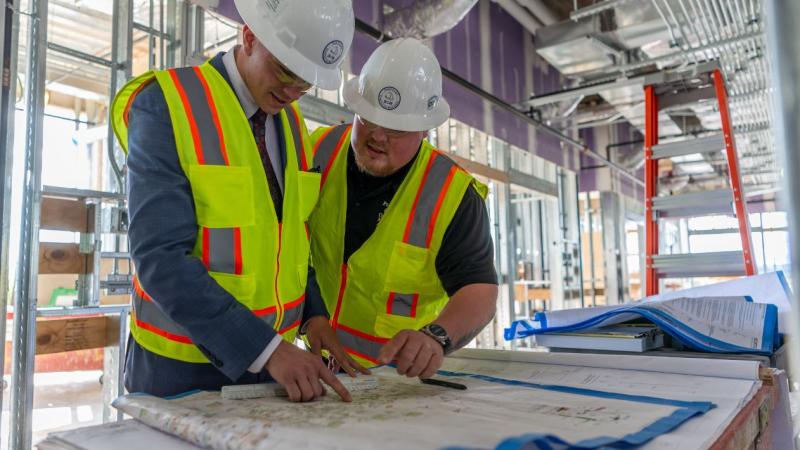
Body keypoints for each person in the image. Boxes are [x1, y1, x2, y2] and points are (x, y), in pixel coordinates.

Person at [109, 0, 364, 401]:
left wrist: (313, 315)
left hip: (272, 370)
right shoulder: (166, 104)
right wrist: (267, 349)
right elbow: (160, 258)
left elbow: (289, 239)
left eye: (305, 84)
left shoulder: (292, 125)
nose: (292, 93)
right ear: (249, 37)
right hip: (180, 374)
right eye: (285, 72)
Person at [308, 38, 498, 380]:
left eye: (395, 129)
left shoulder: (453, 196)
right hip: (315, 368)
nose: (378, 136)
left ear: (424, 130)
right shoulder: (315, 153)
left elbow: (479, 291)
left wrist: (436, 337)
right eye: (368, 119)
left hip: (396, 381)